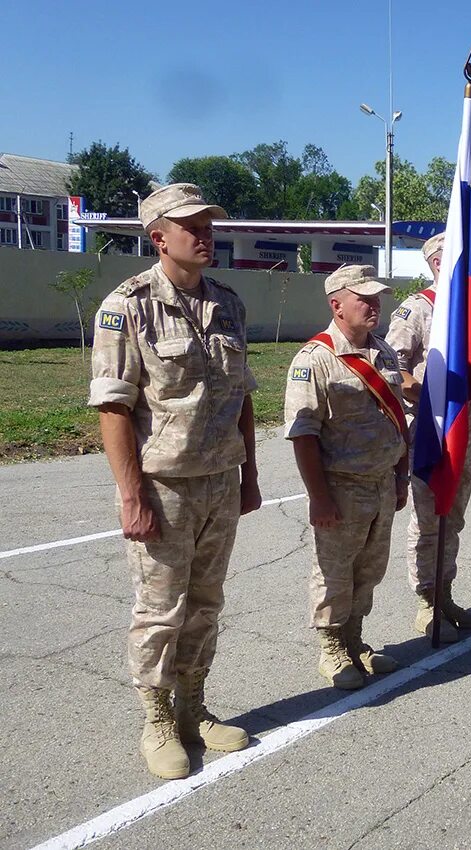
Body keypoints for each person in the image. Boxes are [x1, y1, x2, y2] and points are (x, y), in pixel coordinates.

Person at [90, 183, 257, 780]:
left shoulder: (229, 304)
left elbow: (241, 398)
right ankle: (156, 718)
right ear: (159, 237)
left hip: (220, 479)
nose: (206, 235)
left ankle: (194, 708)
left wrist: (250, 474)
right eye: (192, 226)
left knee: (207, 603)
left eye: (209, 225)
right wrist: (132, 496)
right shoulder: (128, 305)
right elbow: (113, 408)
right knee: (162, 609)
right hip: (164, 486)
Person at [285, 265, 407, 691]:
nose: (375, 306)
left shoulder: (383, 351)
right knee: (334, 570)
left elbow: (397, 420)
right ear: (336, 304)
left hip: (381, 481)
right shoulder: (315, 359)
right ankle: (332, 646)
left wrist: (401, 474)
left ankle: (355, 638)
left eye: (377, 299)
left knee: (369, 568)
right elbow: (303, 434)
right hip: (341, 485)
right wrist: (319, 497)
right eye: (365, 299)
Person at [386, 232, 471, 645]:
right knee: (428, 521)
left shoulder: (470, 311)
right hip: (430, 430)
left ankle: (445, 594)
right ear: (435, 262)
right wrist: (430, 395)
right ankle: (426, 603)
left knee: (454, 516)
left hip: (464, 429)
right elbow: (393, 368)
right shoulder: (418, 309)